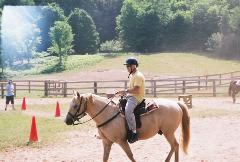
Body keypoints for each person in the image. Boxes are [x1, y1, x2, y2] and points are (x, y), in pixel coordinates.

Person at [116, 57, 145, 143]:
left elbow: (137, 90)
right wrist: (125, 94)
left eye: (128, 66)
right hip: (131, 96)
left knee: (128, 111)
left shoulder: (138, 76)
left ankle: (134, 132)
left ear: (133, 66)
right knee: (118, 105)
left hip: (136, 97)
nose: (127, 68)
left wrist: (125, 91)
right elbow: (131, 89)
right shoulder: (132, 75)